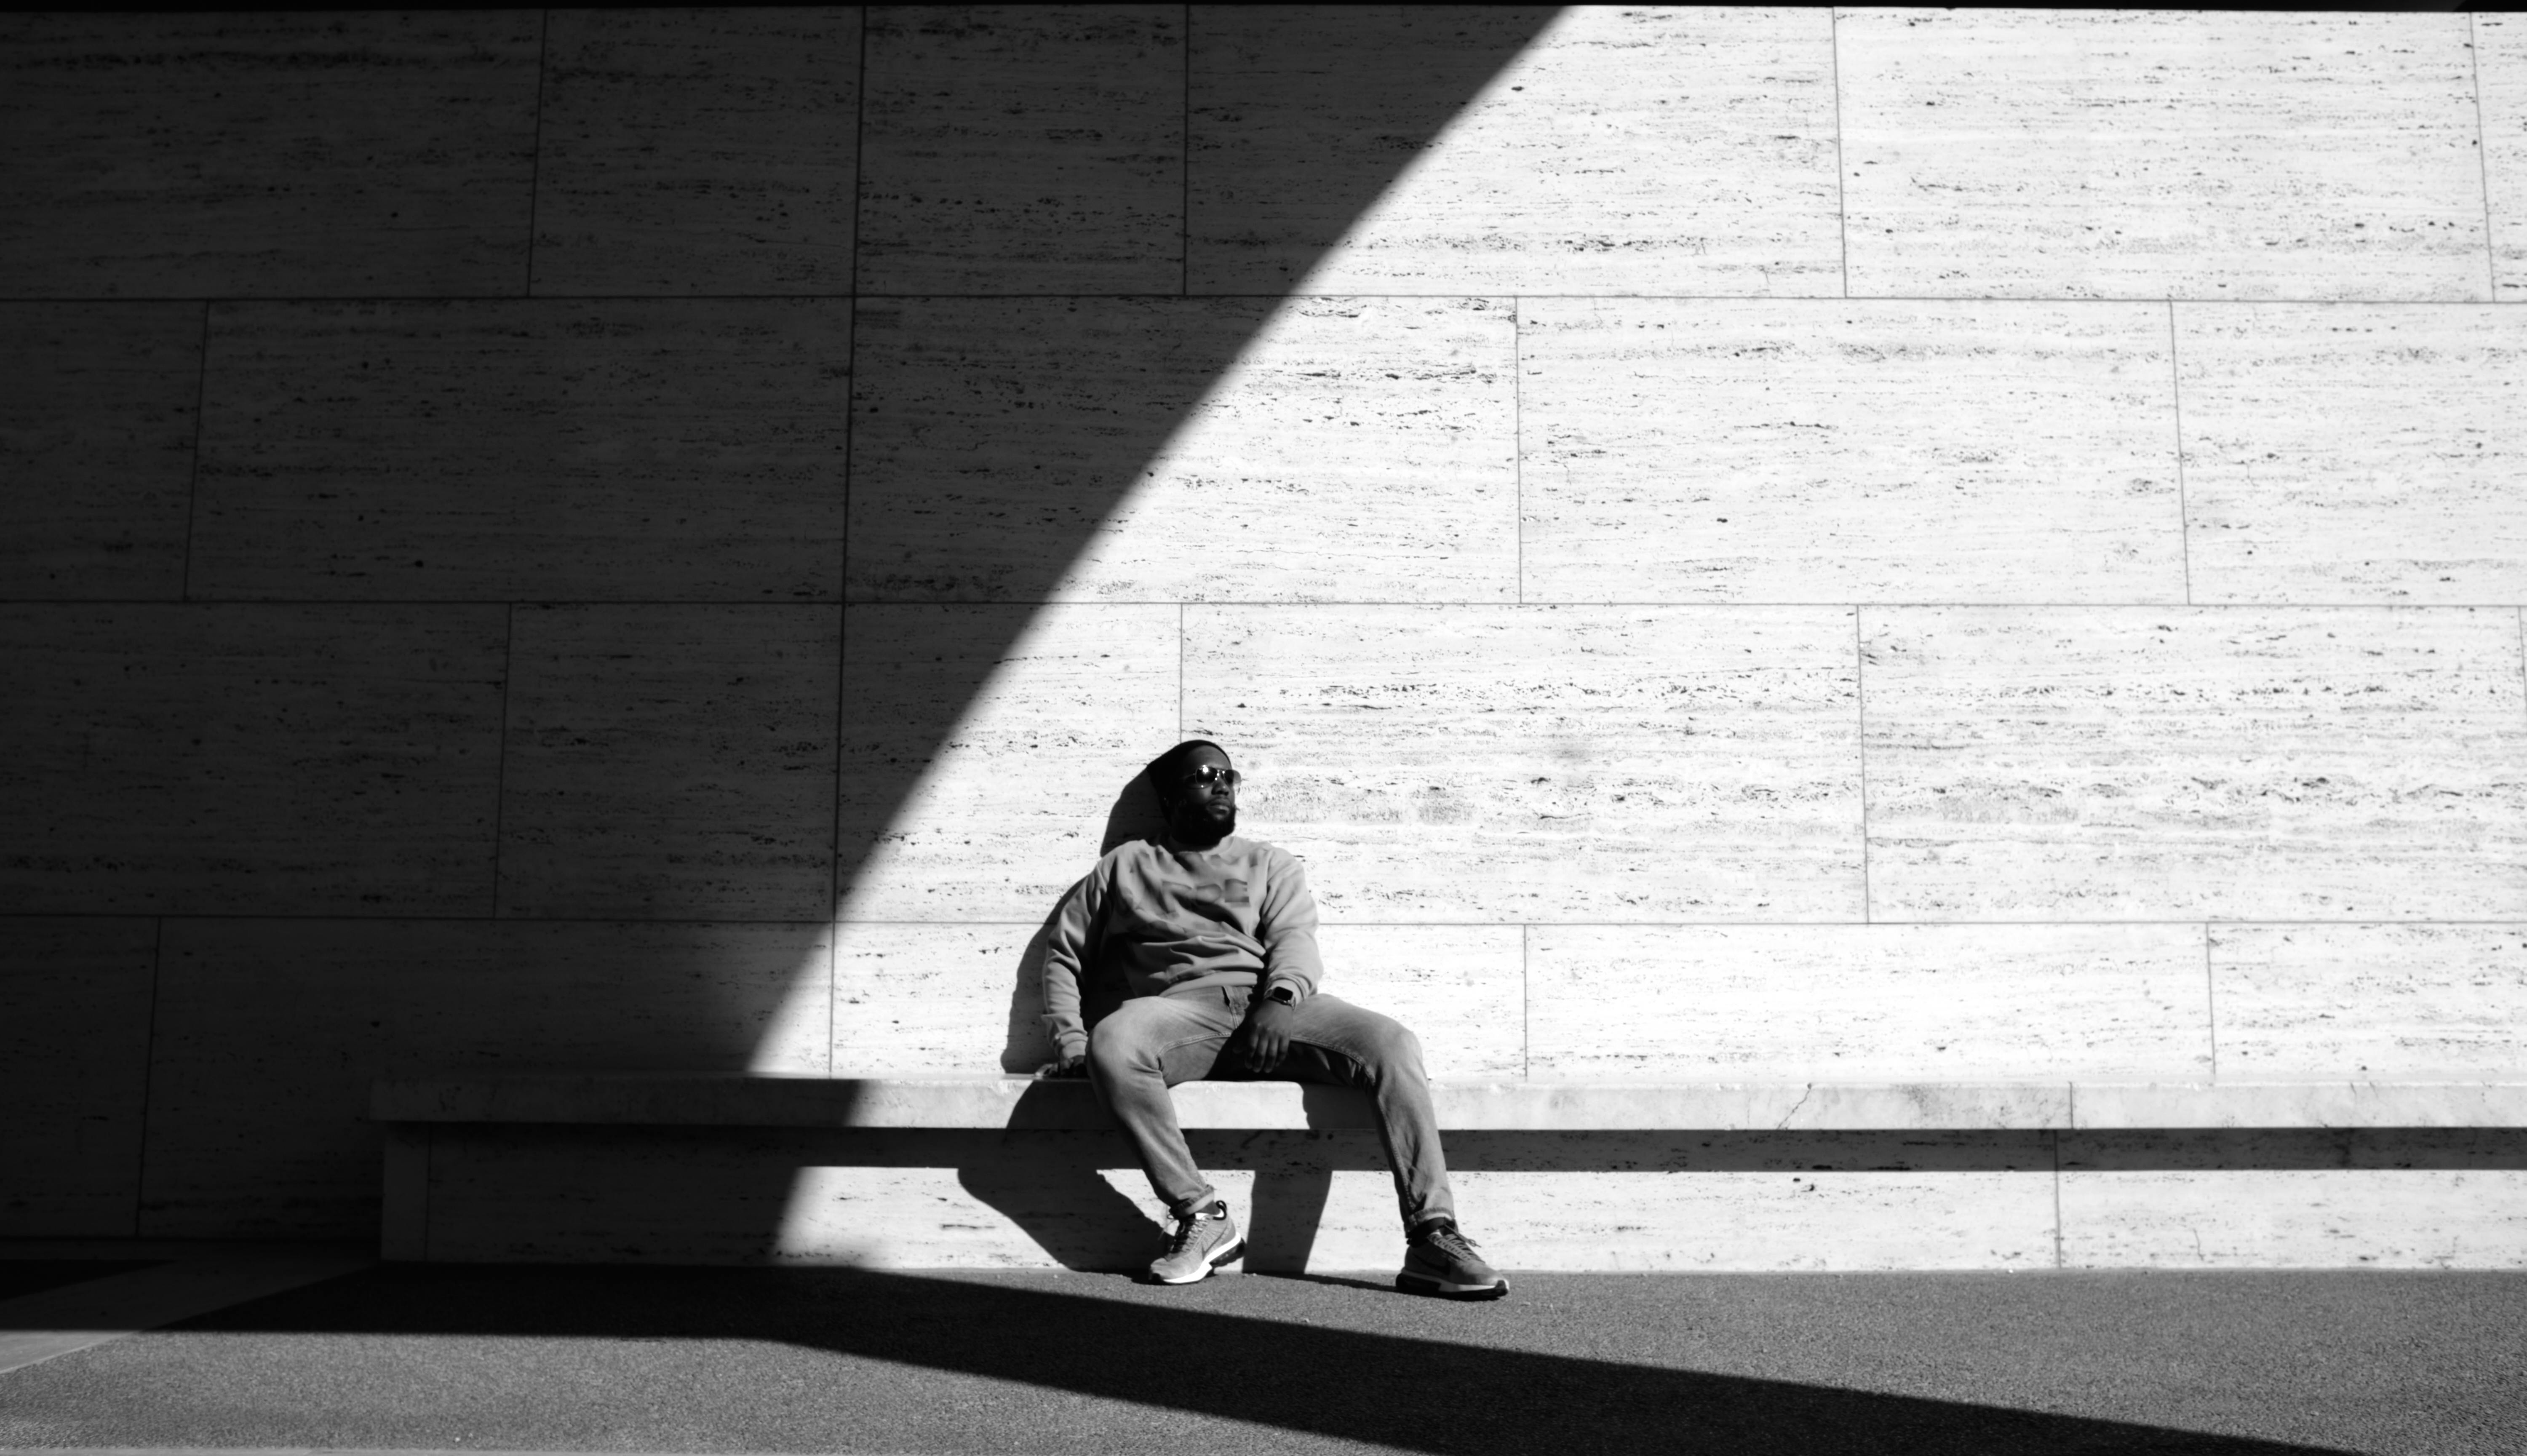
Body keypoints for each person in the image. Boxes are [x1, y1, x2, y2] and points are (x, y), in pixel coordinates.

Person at [1037, 738, 1508, 1299]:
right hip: (1182, 1014)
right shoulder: (1125, 867)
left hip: (1280, 1007)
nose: (1220, 784)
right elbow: (1065, 955)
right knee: (1113, 1041)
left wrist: (1280, 1001)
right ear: (1169, 794)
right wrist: (1071, 1040)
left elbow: (1294, 938)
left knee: (1393, 1042)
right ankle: (1201, 1213)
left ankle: (1433, 1234)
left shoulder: (1269, 861)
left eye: (1229, 776)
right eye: (1204, 774)